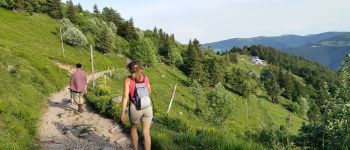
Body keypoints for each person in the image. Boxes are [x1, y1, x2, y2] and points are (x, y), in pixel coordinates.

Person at [121, 60, 153, 150]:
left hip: (135, 107)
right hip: (147, 107)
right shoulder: (145, 78)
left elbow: (125, 97)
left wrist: (123, 112)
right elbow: (149, 91)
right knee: (146, 132)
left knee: (133, 128)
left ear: (130, 70)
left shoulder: (128, 80)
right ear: (139, 68)